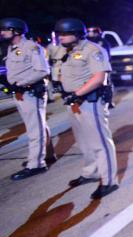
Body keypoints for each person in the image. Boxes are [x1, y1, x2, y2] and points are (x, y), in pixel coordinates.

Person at [52, 18, 119, 199]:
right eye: (60, 34)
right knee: (83, 141)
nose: (61, 37)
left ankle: (109, 180)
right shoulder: (63, 50)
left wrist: (79, 93)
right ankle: (91, 172)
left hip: (89, 101)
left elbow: (99, 78)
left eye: (65, 34)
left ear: (77, 34)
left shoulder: (92, 50)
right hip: (73, 101)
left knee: (100, 142)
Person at [1, 17, 54, 180]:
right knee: (39, 125)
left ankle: (36, 164)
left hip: (30, 92)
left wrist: (21, 84)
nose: (1, 33)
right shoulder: (11, 48)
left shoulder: (31, 47)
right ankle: (47, 154)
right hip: (20, 93)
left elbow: (42, 70)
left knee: (34, 129)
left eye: (4, 30)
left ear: (15, 31)